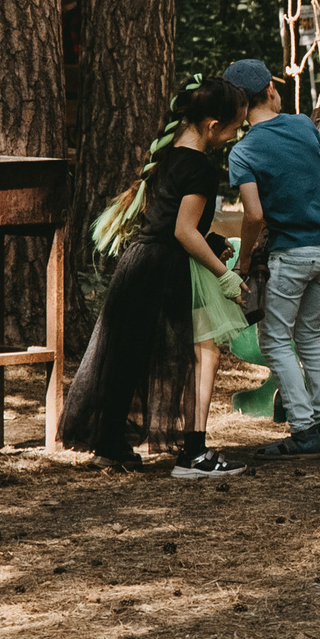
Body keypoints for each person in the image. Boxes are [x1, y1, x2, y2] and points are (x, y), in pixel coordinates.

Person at [61, 77, 251, 478]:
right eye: (235, 127)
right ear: (213, 124)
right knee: (205, 350)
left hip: (141, 262)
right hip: (167, 269)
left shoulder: (165, 155)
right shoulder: (201, 167)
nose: (235, 136)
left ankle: (111, 446)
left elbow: (168, 219)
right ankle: (194, 454)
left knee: (129, 354)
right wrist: (225, 275)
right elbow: (183, 231)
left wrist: (212, 239)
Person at [222, 59, 320, 460]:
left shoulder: (243, 152)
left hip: (291, 254)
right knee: (308, 335)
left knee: (275, 341)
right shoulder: (305, 126)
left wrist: (241, 267)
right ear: (272, 89)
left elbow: (255, 214)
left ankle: (304, 430)